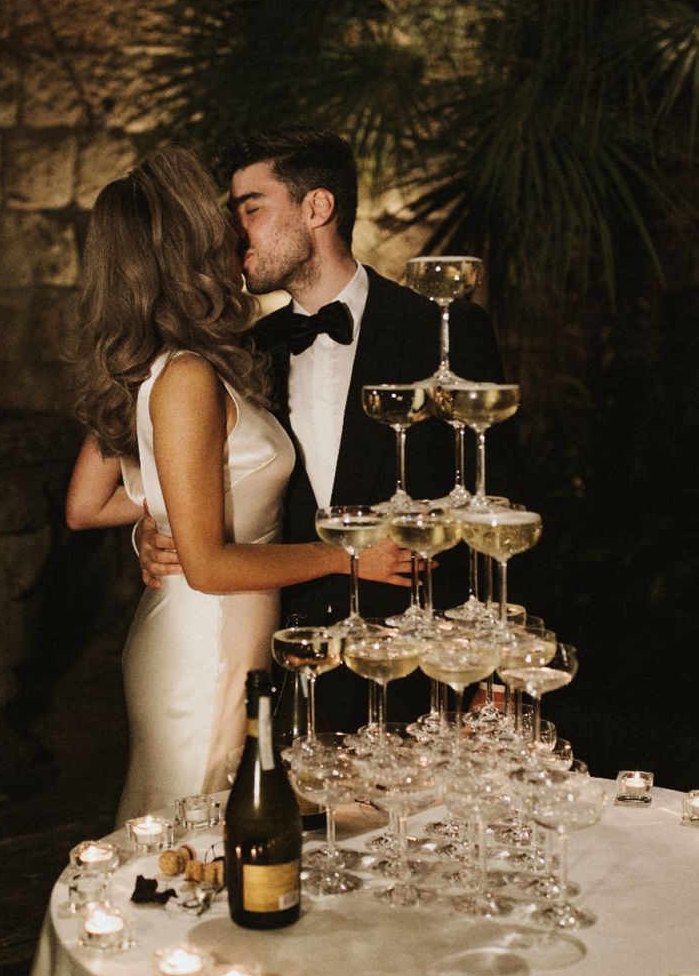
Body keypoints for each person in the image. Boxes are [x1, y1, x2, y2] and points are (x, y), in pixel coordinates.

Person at [65, 145, 409, 823]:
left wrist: (156, 515)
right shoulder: (189, 373)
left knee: (233, 836)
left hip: (249, 645)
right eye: (227, 218)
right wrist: (350, 555)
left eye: (246, 211)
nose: (237, 231)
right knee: (196, 841)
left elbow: (88, 504)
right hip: (206, 648)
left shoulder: (206, 359)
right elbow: (208, 561)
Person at [135, 129, 514, 731]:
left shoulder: (445, 330)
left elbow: (496, 504)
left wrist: (497, 675)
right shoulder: (243, 353)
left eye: (251, 209)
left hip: (420, 666)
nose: (235, 233)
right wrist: (151, 530)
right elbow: (212, 476)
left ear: (317, 208)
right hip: (284, 663)